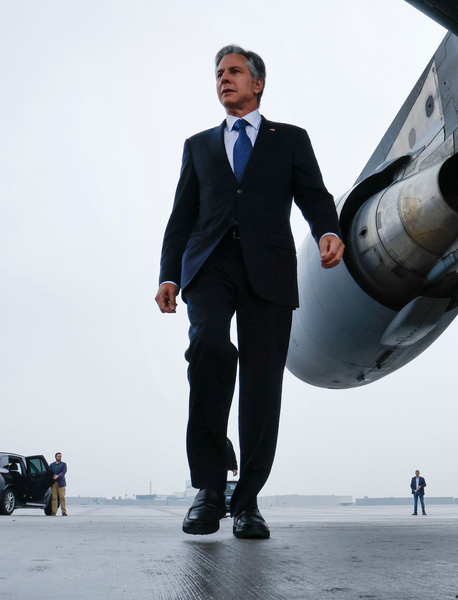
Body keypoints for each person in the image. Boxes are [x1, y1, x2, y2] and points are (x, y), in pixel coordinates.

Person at [155, 44, 344, 540]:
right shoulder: (198, 145)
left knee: (262, 385)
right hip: (210, 265)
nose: (224, 79)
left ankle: (247, 502)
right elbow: (181, 216)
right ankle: (209, 490)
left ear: (257, 83)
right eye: (219, 73)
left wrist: (329, 230)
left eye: (235, 71)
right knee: (210, 350)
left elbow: (314, 195)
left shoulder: (290, 140)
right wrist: (168, 275)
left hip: (270, 270)